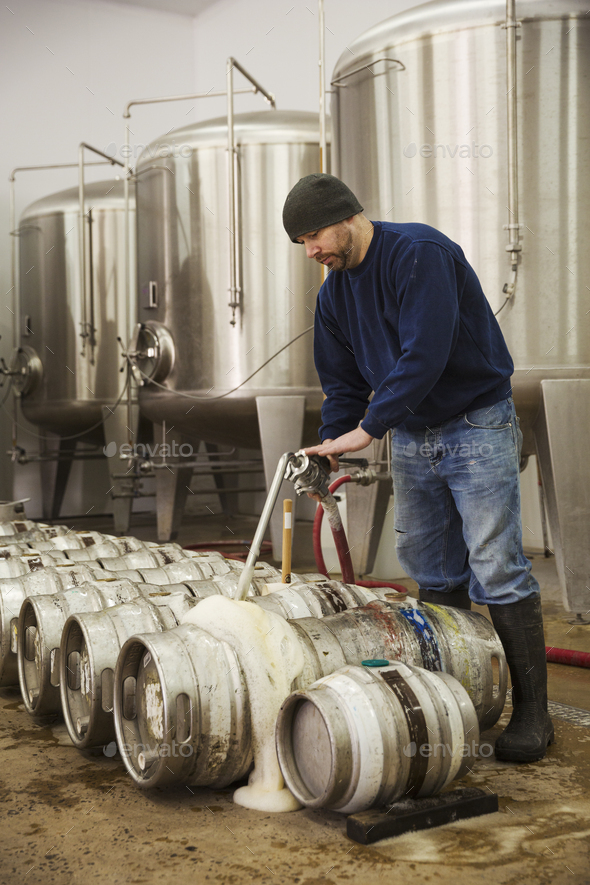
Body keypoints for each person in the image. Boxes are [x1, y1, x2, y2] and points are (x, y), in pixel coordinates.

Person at [282, 172, 554, 764]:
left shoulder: (420, 254)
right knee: (434, 567)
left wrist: (370, 427)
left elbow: (424, 355)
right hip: (410, 433)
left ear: (348, 216)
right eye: (301, 244)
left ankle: (535, 713)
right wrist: (333, 444)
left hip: (474, 421)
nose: (312, 252)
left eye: (314, 237)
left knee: (495, 565)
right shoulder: (333, 296)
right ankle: (461, 700)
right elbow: (343, 383)